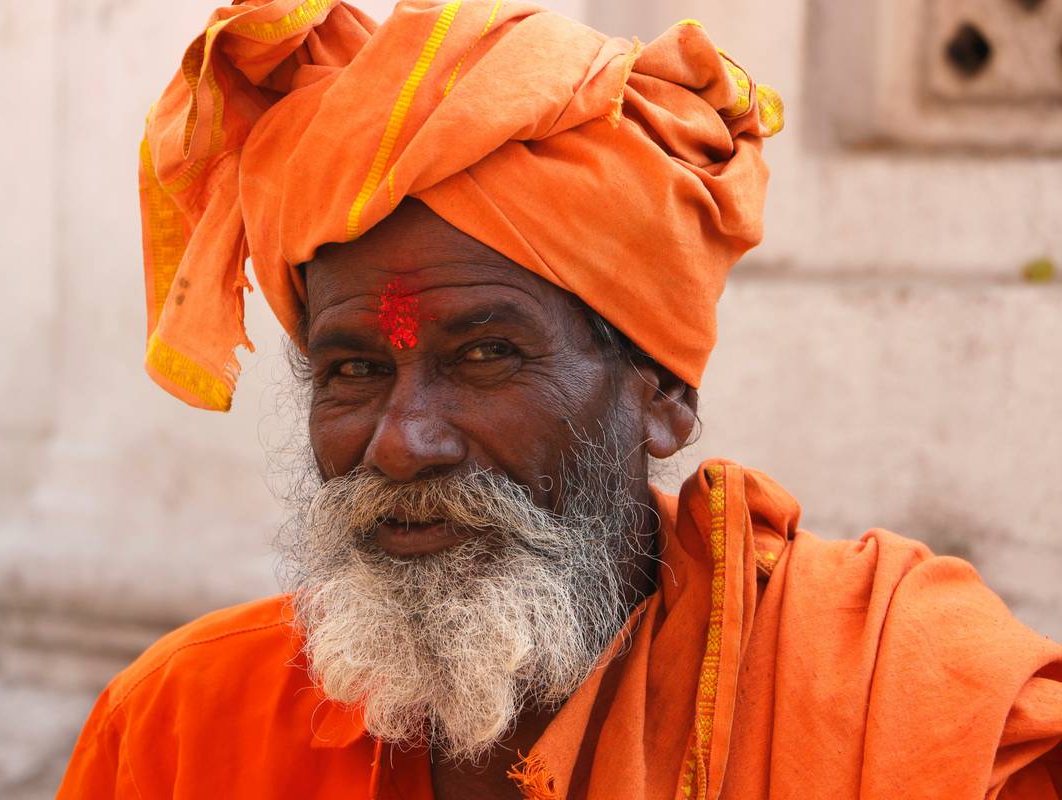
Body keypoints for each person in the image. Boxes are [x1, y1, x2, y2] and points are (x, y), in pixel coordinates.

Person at [58, 1, 1062, 797]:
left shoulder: (915, 702)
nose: (403, 441)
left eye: (489, 354)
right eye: (354, 368)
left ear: (662, 391)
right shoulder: (179, 730)